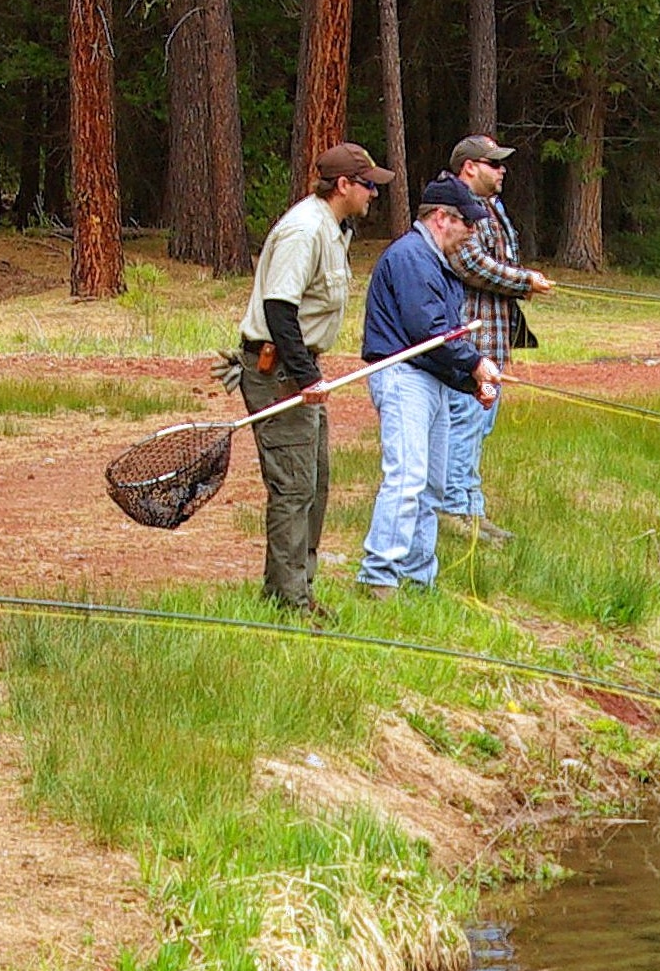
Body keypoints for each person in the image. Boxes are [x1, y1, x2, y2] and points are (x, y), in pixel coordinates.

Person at [233, 141, 391, 615]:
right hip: (276, 368)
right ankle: (287, 600)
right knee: (294, 486)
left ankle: (297, 587)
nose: (373, 195)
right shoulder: (305, 229)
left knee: (316, 483)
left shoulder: (335, 228)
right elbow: (279, 308)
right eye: (367, 186)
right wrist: (304, 378)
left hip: (298, 366)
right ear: (343, 185)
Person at [355, 178, 504, 600]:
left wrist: (467, 381)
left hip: (432, 379)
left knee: (432, 486)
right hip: (403, 377)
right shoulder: (412, 257)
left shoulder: (436, 260)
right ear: (442, 218)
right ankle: (378, 576)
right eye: (466, 226)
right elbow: (429, 332)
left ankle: (419, 578)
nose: (470, 235)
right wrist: (475, 364)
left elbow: (442, 339)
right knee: (406, 478)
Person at [441, 134, 547, 544]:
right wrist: (526, 281)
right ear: (470, 167)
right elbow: (469, 262)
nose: (502, 170)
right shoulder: (454, 207)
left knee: (478, 428)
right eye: (494, 163)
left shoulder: (492, 206)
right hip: (470, 343)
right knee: (464, 425)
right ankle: (455, 514)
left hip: (494, 343)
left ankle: (472, 511)